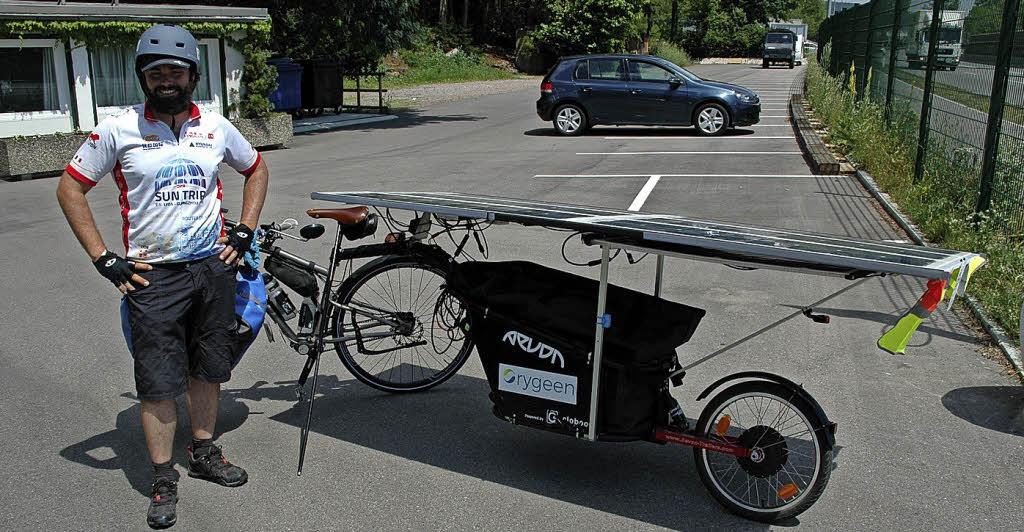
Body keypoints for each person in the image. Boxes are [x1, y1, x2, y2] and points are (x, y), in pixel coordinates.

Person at [55, 25, 269, 529]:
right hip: (152, 276)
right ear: (143, 79)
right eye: (156, 73)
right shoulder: (118, 128)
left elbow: (255, 169)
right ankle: (162, 476)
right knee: (156, 381)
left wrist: (244, 231)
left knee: (208, 367)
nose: (166, 80)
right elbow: (70, 188)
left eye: (176, 71)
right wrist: (103, 257)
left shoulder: (216, 126)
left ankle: (203, 451)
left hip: (213, 268)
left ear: (193, 75)